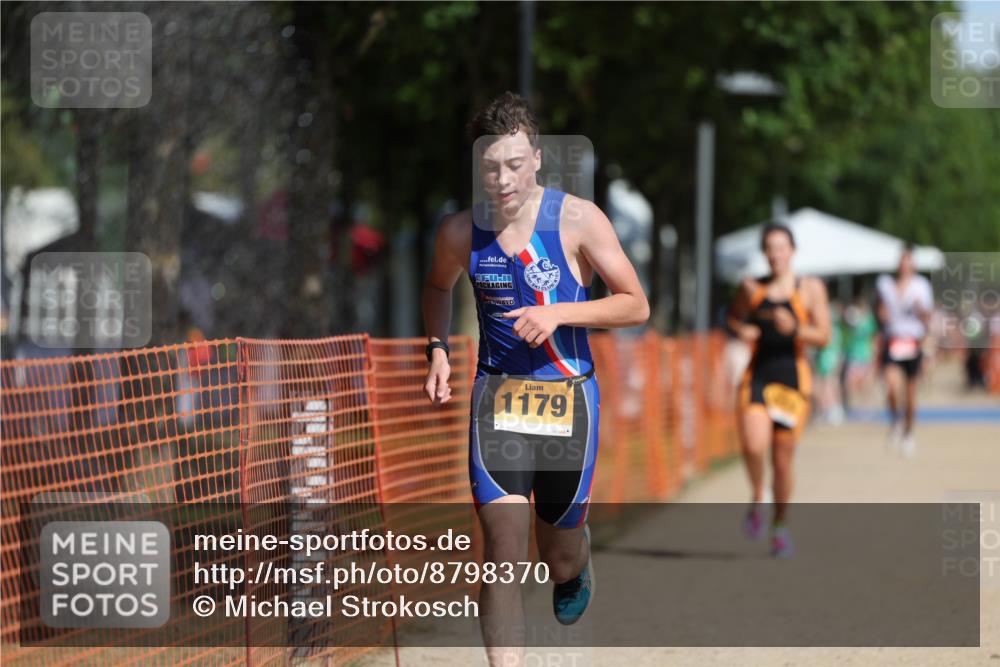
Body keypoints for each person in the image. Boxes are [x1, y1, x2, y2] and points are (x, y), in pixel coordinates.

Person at [421, 92, 649, 666]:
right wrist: (437, 349)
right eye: (491, 167)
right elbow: (437, 287)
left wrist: (558, 313)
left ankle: (576, 560)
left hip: (569, 401)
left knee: (557, 558)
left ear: (538, 159)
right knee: (502, 552)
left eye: (515, 164)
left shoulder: (578, 221)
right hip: (497, 400)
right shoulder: (459, 232)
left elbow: (635, 304)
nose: (503, 180)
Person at [727, 223, 831, 558]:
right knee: (753, 445)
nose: (776, 254)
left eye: (781, 247)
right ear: (764, 253)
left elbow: (824, 335)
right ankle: (759, 495)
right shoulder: (751, 288)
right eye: (770, 248)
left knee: (783, 462)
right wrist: (742, 330)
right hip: (758, 376)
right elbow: (733, 318)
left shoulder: (809, 288)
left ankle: (780, 525)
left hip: (793, 383)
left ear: (792, 251)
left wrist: (796, 329)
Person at [875, 244, 934, 457]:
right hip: (893, 340)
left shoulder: (921, 286)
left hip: (912, 341)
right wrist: (882, 314)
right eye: (902, 261)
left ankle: (909, 432)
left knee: (910, 392)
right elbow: (880, 313)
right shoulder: (886, 285)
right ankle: (895, 421)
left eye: (908, 261)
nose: (904, 265)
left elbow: (928, 317)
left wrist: (919, 309)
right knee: (891, 386)